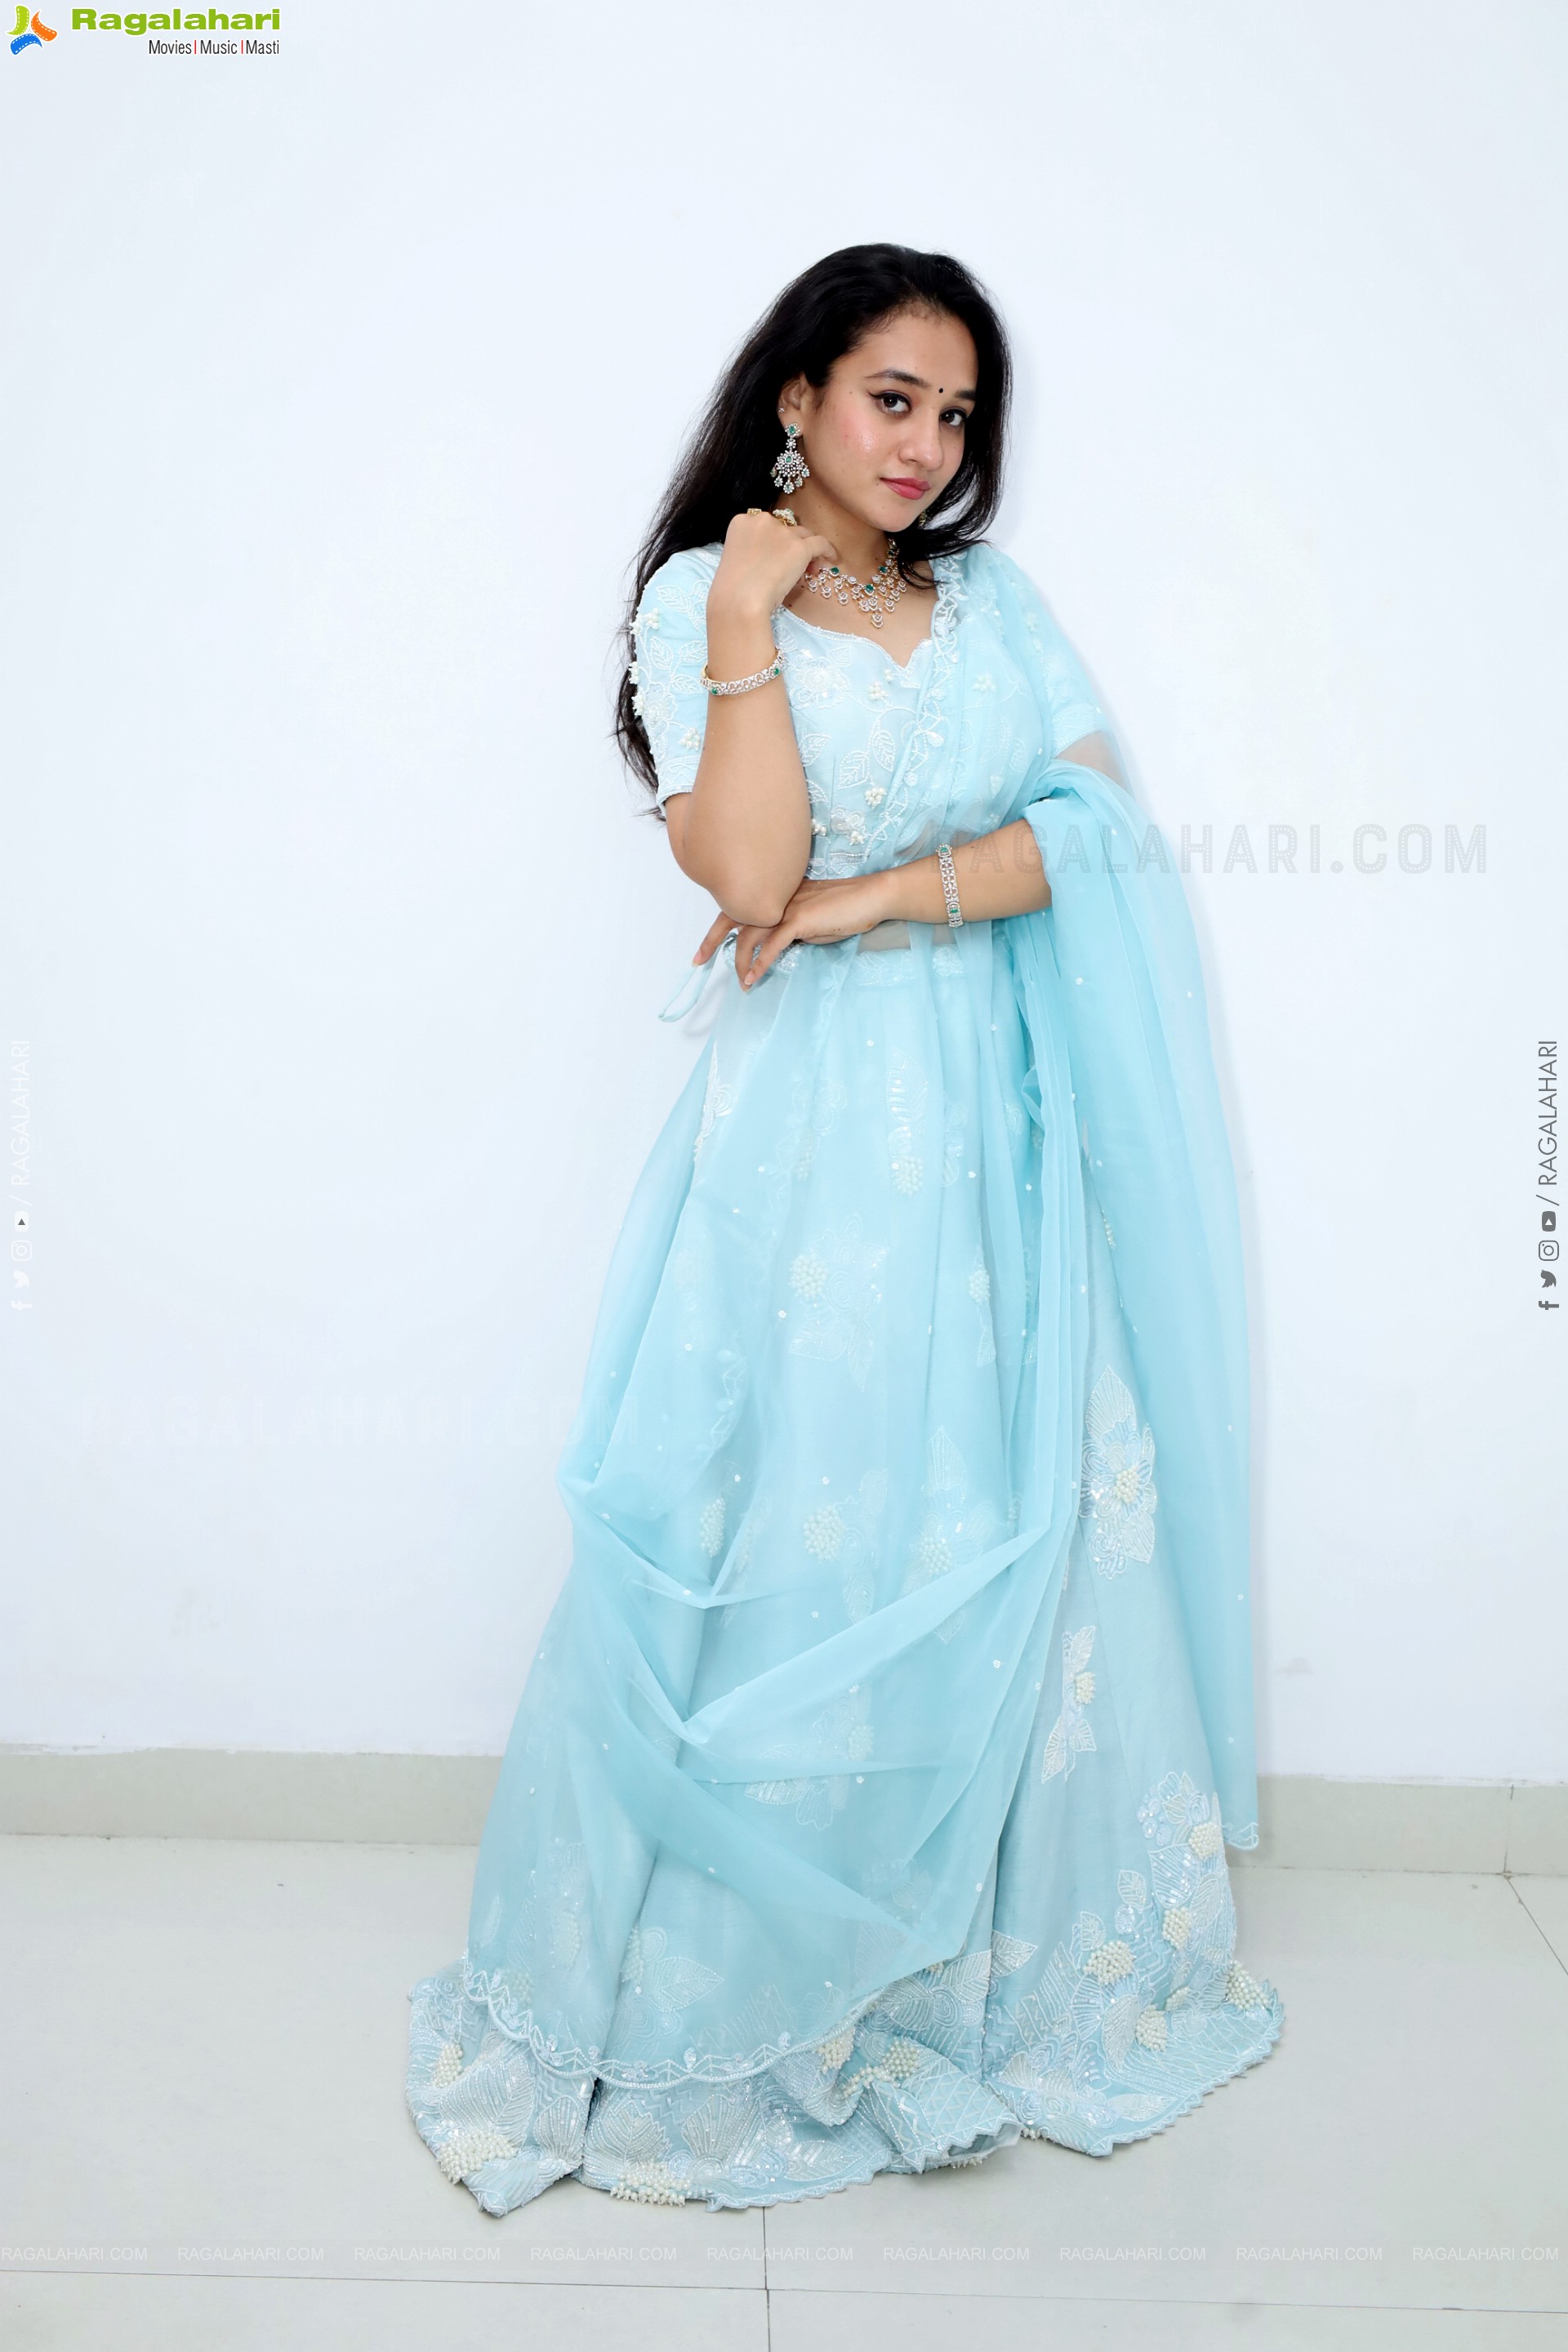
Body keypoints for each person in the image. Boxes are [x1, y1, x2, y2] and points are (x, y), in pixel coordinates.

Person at [406, 243, 1282, 2216]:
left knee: (990, 1500)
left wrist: (882, 905)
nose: (927, 444)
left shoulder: (993, 603)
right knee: (795, 1499)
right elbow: (747, 870)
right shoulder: (697, 602)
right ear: (796, 395)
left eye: (956, 413)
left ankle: (972, 1966)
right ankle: (759, 1982)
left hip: (1005, 1126)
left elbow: (1094, 838)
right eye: (894, 397)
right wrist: (744, 610)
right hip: (806, 1142)